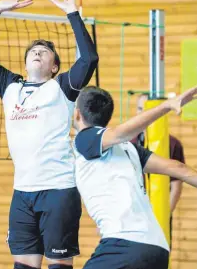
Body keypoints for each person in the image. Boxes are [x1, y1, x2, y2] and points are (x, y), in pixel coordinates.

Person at [0, 0, 98, 269]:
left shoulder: (62, 87)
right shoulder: (10, 87)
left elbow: (89, 59)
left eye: (45, 52)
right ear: (26, 62)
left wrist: (72, 14)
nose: (37, 53)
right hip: (22, 193)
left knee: (59, 266)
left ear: (54, 67)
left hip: (58, 190)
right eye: (33, 52)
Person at [73, 85, 197, 269]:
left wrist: (167, 106)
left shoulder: (84, 139)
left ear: (76, 115)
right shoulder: (130, 149)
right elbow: (178, 168)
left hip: (125, 245)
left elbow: (119, 133)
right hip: (157, 249)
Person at [132, 93, 185, 244]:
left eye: (145, 109)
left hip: (159, 213)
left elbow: (176, 185)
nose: (141, 113)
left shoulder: (173, 144)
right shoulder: (129, 143)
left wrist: (164, 214)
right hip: (134, 217)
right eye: (139, 108)